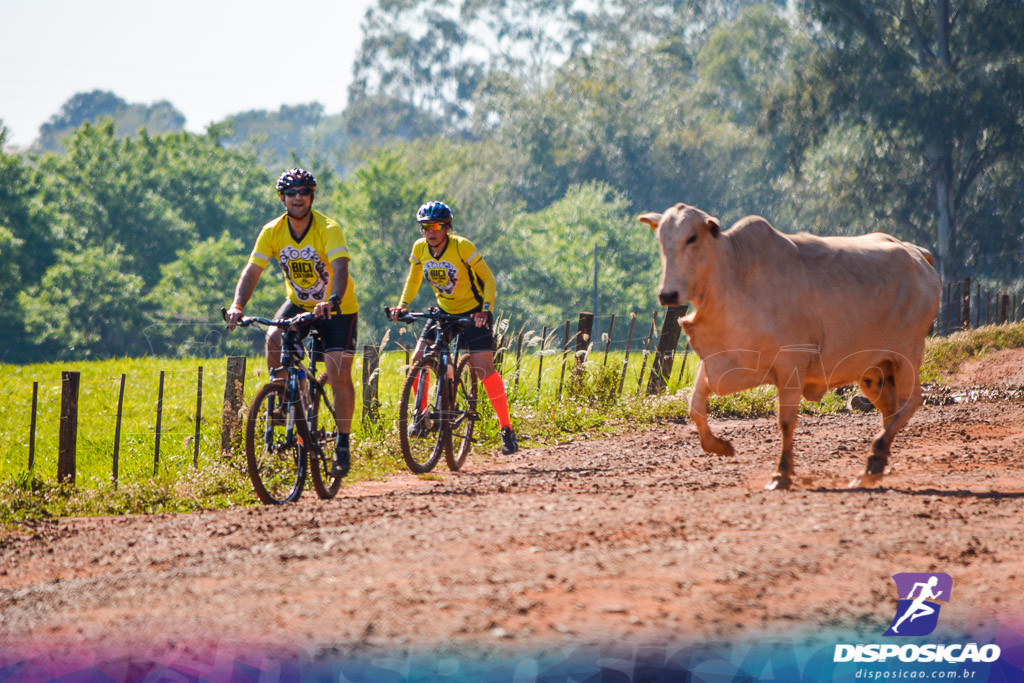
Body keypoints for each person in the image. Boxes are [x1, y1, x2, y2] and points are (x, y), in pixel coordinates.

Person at [225, 168, 358, 477]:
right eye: (291, 193)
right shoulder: (272, 230)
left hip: (337, 309)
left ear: (311, 196)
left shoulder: (328, 228)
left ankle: (342, 443)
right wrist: (237, 305)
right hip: (298, 304)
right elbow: (253, 269)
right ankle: (287, 395)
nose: (297, 198)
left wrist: (332, 300)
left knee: (338, 371)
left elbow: (339, 268)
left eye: (303, 192)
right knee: (272, 336)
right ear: (282, 199)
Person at [388, 200, 519, 455]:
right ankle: (422, 415)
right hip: (444, 311)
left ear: (447, 227)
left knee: (484, 369)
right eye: (425, 227)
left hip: (474, 312)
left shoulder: (461, 246)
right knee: (419, 358)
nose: (431, 231)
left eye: (436, 226)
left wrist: (486, 310)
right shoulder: (420, 249)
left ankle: (506, 428)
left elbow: (488, 279)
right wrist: (402, 305)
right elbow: (414, 278)